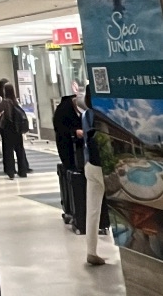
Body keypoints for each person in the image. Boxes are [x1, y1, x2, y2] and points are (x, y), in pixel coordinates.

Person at [81, 85, 107, 267]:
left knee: (92, 210)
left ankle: (91, 251)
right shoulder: (101, 116)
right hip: (103, 166)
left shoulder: (85, 115)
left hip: (89, 164)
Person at [0, 82, 29, 180]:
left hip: (8, 129)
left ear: (5, 91)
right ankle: (23, 171)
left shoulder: (5, 101)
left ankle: (11, 172)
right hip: (17, 129)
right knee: (20, 150)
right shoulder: (16, 101)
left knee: (8, 151)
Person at [53, 95, 84, 170]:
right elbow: (60, 129)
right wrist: (74, 132)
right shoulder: (63, 110)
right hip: (68, 146)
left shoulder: (71, 107)